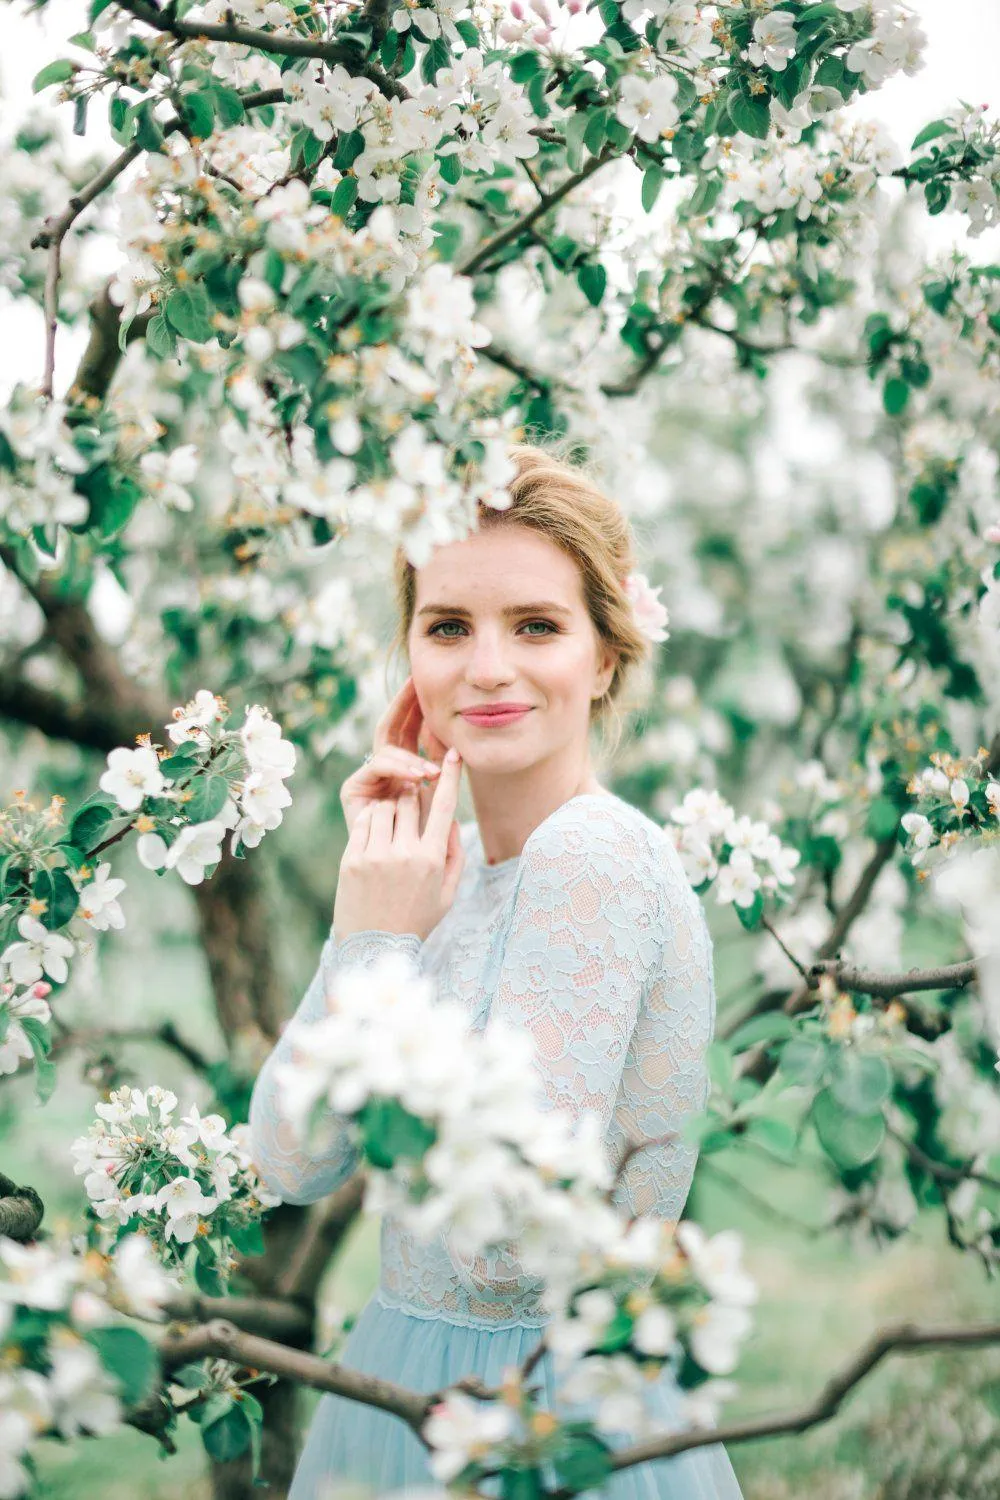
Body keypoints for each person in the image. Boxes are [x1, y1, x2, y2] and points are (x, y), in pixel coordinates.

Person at [247, 441, 745, 1498]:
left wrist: (378, 950)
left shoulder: (594, 854)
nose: (485, 668)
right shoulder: (440, 875)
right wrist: (364, 926)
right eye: (446, 627)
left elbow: (506, 1251)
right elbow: (287, 1166)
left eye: (535, 625)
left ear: (605, 655)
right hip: (396, 1383)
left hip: (533, 1414)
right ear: (410, 658)